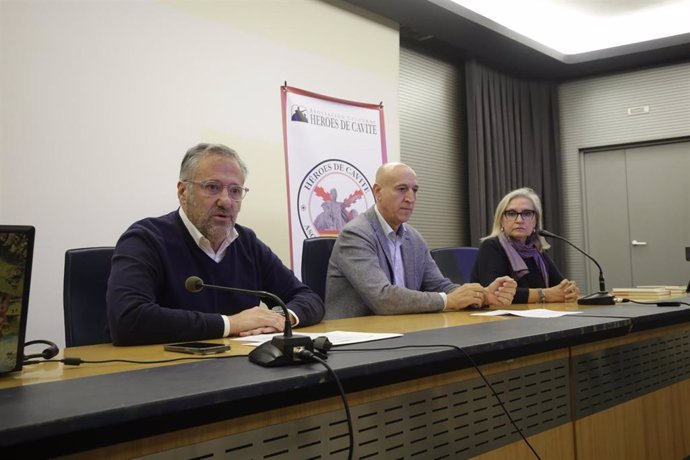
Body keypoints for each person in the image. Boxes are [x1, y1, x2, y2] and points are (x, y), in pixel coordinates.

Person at [107, 143, 324, 345]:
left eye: (235, 191)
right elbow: (128, 319)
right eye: (212, 187)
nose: (226, 201)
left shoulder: (247, 242)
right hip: (167, 376)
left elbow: (309, 299)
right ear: (183, 192)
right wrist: (231, 324)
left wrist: (278, 318)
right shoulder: (146, 238)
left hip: (241, 369)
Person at [325, 162, 516, 319]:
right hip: (355, 339)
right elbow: (382, 299)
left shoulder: (414, 238)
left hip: (401, 331)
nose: (410, 198)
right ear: (378, 192)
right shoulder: (356, 234)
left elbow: (440, 286)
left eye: (414, 190)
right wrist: (448, 301)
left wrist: (481, 296)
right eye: (401, 189)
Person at [471, 187, 580, 304]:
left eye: (527, 213)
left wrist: (569, 291)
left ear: (536, 221)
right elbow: (496, 293)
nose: (519, 220)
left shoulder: (536, 250)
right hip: (499, 318)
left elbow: (560, 287)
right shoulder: (491, 246)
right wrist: (545, 295)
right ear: (501, 220)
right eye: (511, 213)